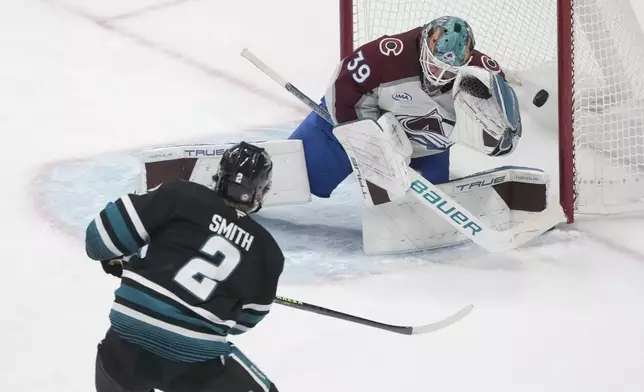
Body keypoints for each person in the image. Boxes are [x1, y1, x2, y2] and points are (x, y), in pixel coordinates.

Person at [85, 141, 284, 392]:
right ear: (262, 191)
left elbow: (97, 240)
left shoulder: (179, 195)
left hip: (122, 355)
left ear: (218, 177)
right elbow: (244, 323)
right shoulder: (267, 252)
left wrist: (126, 259)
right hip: (193, 368)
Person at [288, 15, 522, 199]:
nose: (439, 76)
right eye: (435, 65)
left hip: (427, 146)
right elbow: (343, 87)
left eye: (449, 72)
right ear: (423, 47)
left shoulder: (482, 77)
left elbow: (504, 126)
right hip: (362, 124)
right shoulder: (386, 55)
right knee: (299, 175)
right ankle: (257, 173)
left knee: (416, 209)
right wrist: (365, 141)